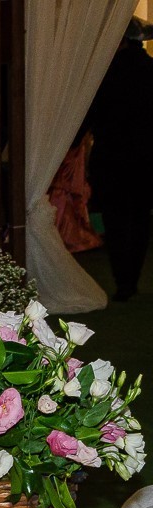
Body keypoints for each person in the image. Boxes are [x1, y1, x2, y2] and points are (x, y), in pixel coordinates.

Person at [85, 25, 153, 302]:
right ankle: (131, 278)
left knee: (115, 220)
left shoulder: (106, 73)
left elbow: (92, 115)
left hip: (112, 157)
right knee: (139, 219)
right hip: (146, 158)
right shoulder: (150, 69)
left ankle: (122, 279)